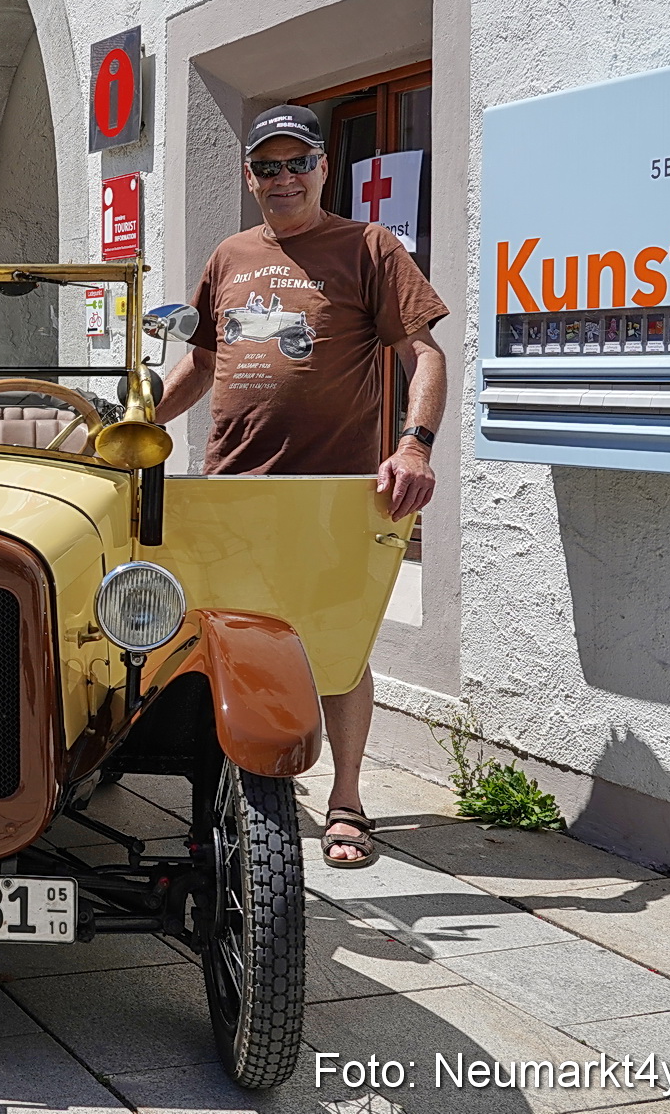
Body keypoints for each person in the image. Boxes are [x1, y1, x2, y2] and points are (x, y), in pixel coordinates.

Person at [156, 104, 449, 869]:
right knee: (216, 640)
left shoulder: (369, 246)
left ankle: (346, 800)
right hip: (232, 488)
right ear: (248, 174)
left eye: (297, 163)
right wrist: (137, 423)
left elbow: (424, 353)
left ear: (323, 167)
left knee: (336, 648)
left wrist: (414, 446)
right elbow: (203, 362)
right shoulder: (228, 255)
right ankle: (233, 799)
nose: (282, 178)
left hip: (330, 493)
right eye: (267, 166)